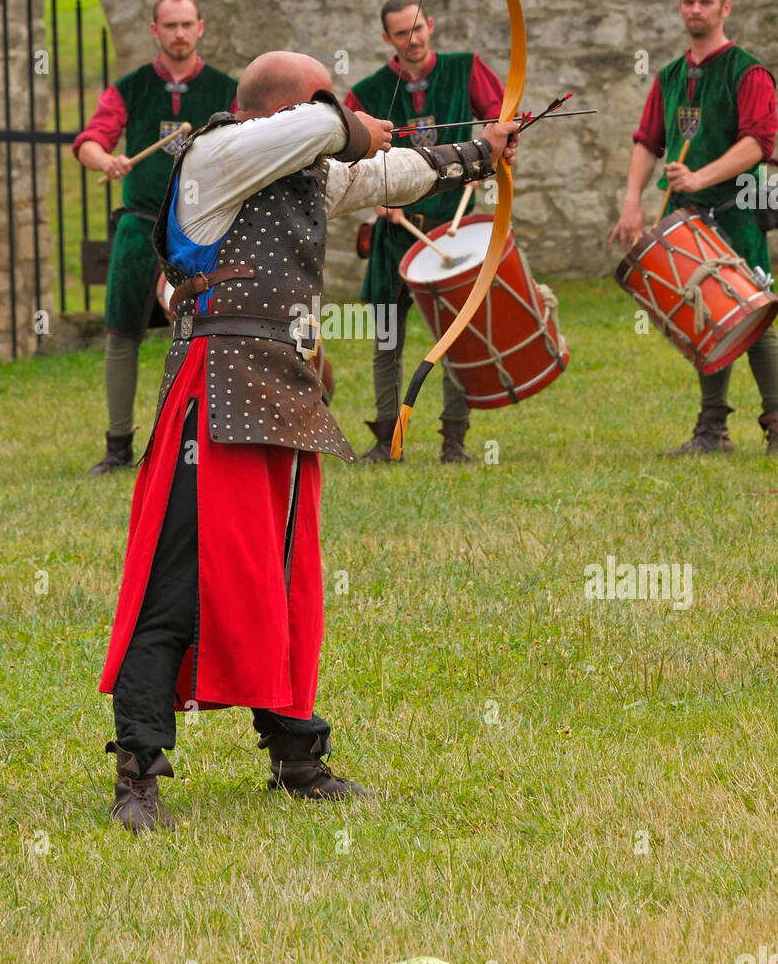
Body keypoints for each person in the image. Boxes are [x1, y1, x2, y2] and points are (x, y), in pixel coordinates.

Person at [97, 50, 519, 830]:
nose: (339, 116)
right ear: (290, 109)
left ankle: (295, 757)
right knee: (178, 581)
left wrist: (480, 152)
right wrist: (348, 122)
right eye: (326, 102)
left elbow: (389, 175)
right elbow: (329, 130)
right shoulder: (216, 154)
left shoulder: (303, 170)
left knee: (284, 579)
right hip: (215, 387)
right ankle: (138, 773)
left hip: (280, 389)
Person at [610, 0, 778, 455]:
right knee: (704, 317)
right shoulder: (669, 76)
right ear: (680, 6)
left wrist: (701, 177)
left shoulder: (747, 71)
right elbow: (648, 143)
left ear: (725, 8)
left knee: (754, 313)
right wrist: (631, 201)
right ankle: (711, 431)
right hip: (688, 218)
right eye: (688, 2)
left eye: (705, 2)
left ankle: (776, 425)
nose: (696, 10)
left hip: (738, 211)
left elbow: (758, 144)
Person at [73, 0, 237, 473]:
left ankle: (204, 441)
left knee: (204, 333)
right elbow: (89, 142)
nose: (179, 33)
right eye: (170, 25)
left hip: (202, 231)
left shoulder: (228, 89)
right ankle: (119, 446)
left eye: (187, 24)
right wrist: (107, 160)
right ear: (155, 31)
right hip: (139, 226)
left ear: (201, 27)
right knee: (121, 333)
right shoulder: (130, 87)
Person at [345, 0, 506, 463]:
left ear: (430, 25)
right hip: (397, 232)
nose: (412, 39)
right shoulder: (368, 92)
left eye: (418, 28)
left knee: (454, 336)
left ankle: (454, 441)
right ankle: (385, 441)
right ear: (387, 39)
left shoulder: (465, 69)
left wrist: (503, 136)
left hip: (449, 228)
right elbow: (345, 153)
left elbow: (501, 119)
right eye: (401, 33)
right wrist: (375, 198)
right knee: (388, 340)